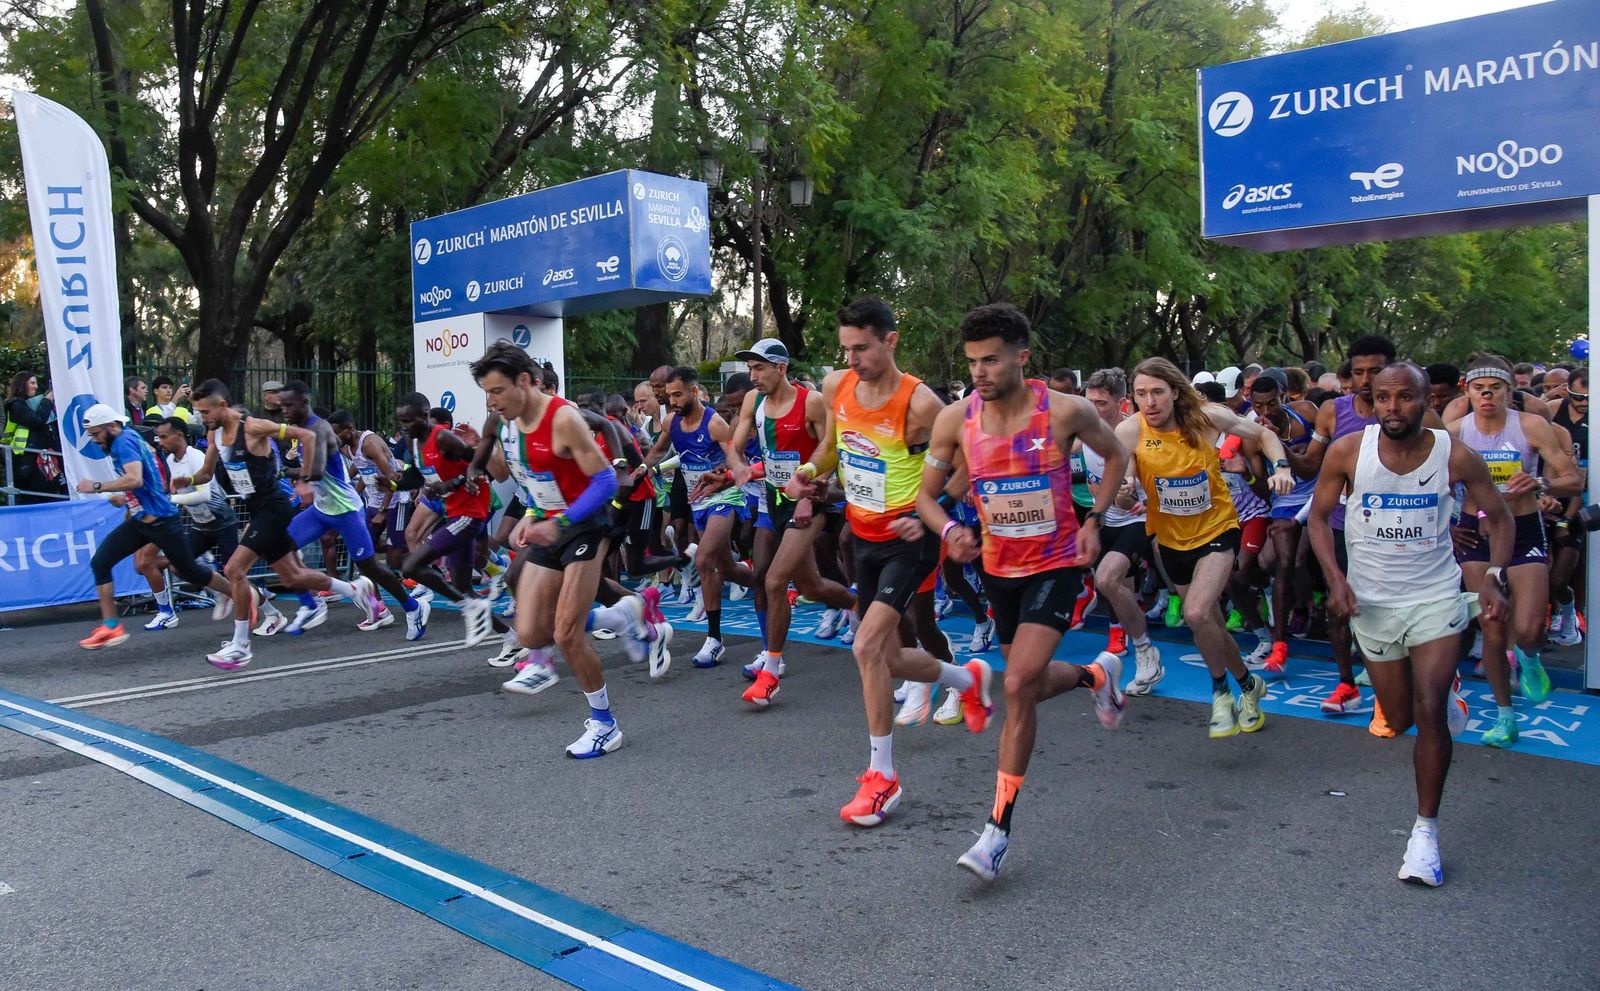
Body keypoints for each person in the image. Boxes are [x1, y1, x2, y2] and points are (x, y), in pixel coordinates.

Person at [915, 304, 1129, 880]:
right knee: (1025, 684)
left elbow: (1116, 455)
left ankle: (996, 832)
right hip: (998, 569)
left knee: (1013, 685)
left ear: (1022, 358)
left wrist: (1095, 519)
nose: (978, 373)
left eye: (990, 360)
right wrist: (951, 531)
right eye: (971, 362)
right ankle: (1094, 676)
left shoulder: (1065, 411)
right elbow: (926, 498)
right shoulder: (956, 420)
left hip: (1056, 565)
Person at [784, 297, 994, 828]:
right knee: (890, 656)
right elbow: (833, 445)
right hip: (863, 535)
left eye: (862, 348)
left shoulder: (920, 403)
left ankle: (883, 777)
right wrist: (809, 471)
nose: (851, 359)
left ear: (890, 341)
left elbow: (968, 465)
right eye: (845, 349)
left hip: (909, 538)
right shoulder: (837, 386)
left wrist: (931, 513)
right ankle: (966, 679)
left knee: (865, 645)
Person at [1308, 363, 1507, 885]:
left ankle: (1425, 836)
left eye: (1405, 398)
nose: (1393, 408)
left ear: (1427, 401)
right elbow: (1317, 518)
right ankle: (1445, 700)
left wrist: (1494, 577)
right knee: (1397, 719)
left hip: (1434, 598)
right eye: (1383, 398)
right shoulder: (1348, 452)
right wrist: (1335, 578)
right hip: (1372, 605)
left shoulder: (1453, 454)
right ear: (1371, 402)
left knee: (1429, 707)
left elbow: (1500, 517)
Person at [470, 342, 668, 755]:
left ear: (525, 381)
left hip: (584, 525)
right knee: (531, 632)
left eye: (498, 391)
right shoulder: (506, 423)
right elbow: (529, 477)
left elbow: (605, 482)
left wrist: (558, 522)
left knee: (566, 634)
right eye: (487, 393)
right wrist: (531, 514)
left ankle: (604, 724)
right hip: (548, 524)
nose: (492, 401)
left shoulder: (562, 418)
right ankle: (623, 614)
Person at [1116, 357, 1293, 738]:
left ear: (1175, 392)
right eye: (1141, 394)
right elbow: (1122, 490)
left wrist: (1281, 467)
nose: (1150, 402)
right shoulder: (1129, 431)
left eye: (1158, 392)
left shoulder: (1207, 416)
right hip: (1170, 539)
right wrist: (1123, 492)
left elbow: (1263, 435)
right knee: (1208, 621)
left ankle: (1220, 693)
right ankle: (1248, 684)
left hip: (1217, 528)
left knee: (1195, 612)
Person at [181, 380, 377, 668]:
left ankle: (240, 646)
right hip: (257, 509)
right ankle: (355, 589)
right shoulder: (214, 433)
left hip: (273, 508)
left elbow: (306, 436)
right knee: (293, 576)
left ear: (222, 405)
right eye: (199, 412)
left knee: (234, 569)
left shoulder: (253, 427)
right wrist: (185, 480)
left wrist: (305, 480)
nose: (202, 418)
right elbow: (207, 473)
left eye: (205, 412)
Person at [1446, 357, 1581, 747]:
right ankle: (1505, 717)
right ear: (1468, 391)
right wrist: (1451, 525)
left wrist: (1539, 484)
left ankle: (1529, 656)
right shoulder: (1455, 432)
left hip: (1523, 530)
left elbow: (1572, 480)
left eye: (1495, 388)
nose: (1487, 395)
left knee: (1528, 629)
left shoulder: (1531, 426)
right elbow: (1434, 486)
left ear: (1509, 391)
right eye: (1479, 388)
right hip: (1476, 533)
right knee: (1492, 626)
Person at [723, 338, 857, 706]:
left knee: (775, 580)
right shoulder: (753, 401)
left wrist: (811, 491)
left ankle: (771, 671)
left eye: (760, 368)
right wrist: (738, 469)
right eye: (750, 369)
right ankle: (857, 604)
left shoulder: (811, 402)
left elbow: (831, 449)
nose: (753, 376)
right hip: (774, 502)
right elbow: (736, 447)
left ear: (781, 368)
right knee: (809, 585)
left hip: (809, 502)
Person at [75, 404, 235, 650]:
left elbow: (135, 479)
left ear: (112, 427)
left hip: (162, 521)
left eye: (96, 434)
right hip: (142, 520)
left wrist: (97, 486)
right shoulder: (125, 439)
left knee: (190, 571)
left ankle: (241, 595)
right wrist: (126, 498)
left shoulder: (123, 442)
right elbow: (146, 481)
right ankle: (111, 626)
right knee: (101, 562)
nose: (95, 440)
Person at [277, 386, 428, 639]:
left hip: (347, 511)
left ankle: (413, 607)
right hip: (322, 510)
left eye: (289, 405)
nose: (284, 410)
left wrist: (286, 472)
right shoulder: (301, 433)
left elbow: (316, 472)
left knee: (370, 567)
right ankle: (311, 604)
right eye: (281, 405)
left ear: (304, 402)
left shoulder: (322, 430)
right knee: (281, 547)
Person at [639, 366, 754, 667]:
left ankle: (714, 639)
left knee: (704, 560)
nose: (672, 400)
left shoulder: (715, 424)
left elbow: (734, 456)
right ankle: (764, 583)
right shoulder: (671, 421)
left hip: (723, 496)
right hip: (697, 501)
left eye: (678, 394)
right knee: (725, 567)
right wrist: (641, 470)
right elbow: (657, 452)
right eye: (669, 395)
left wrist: (728, 473)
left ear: (694, 391)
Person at [395, 392, 499, 646]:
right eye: (401, 421)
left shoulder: (442, 437)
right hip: (452, 512)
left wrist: (455, 482)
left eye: (409, 421)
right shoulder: (413, 443)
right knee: (464, 588)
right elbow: (417, 477)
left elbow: (479, 464)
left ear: (424, 416)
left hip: (470, 512)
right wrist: (392, 483)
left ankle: (467, 605)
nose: (404, 427)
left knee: (410, 566)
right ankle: (511, 637)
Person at [1081, 368, 1162, 690]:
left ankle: (1143, 649)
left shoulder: (1136, 435)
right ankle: (1122, 631)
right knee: (1115, 584)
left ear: (1122, 402)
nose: (1093, 409)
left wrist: (1132, 497)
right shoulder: (1084, 432)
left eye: (1101, 403)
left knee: (1108, 578)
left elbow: (1147, 487)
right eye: (1089, 402)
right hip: (1104, 517)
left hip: (1137, 518)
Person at [133, 416, 246, 629]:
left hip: (222, 522)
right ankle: (220, 592)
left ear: (180, 436)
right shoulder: (170, 461)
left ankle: (268, 610)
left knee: (234, 572)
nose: (160, 442)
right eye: (158, 438)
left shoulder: (196, 456)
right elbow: (172, 491)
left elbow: (203, 495)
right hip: (200, 526)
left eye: (164, 437)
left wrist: (172, 499)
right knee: (179, 566)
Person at [1250, 370, 1319, 671]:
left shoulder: (1307, 412)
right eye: (1258, 405)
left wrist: (1287, 447)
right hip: (1285, 502)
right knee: (1276, 562)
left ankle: (1304, 606)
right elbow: (1260, 486)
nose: (1265, 411)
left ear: (1284, 396)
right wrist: (1247, 472)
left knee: (1298, 560)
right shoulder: (1252, 434)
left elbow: (1316, 462)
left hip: (1318, 495)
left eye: (1272, 403)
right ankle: (1279, 642)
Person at [1547, 367, 1589, 644]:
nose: (1584, 403)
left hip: (1581, 496)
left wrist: (1564, 522)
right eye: (1578, 396)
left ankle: (1575, 612)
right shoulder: (1552, 411)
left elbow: (1576, 485)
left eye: (1590, 398)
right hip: (1547, 495)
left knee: (1575, 566)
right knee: (1544, 573)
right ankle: (1557, 612)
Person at [4, 370, 63, 504]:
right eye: (32, 383)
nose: (36, 387)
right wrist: (46, 401)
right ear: (22, 384)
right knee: (34, 497)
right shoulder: (16, 405)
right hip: (25, 460)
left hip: (34, 457)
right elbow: (37, 421)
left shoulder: (25, 404)